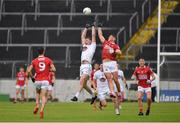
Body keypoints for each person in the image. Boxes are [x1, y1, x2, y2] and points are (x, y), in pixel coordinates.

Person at [71, 24, 97, 103]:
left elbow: (93, 35)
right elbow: (82, 36)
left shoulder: (92, 46)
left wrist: (92, 27)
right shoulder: (84, 45)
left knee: (81, 81)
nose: (86, 40)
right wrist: (86, 28)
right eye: (86, 39)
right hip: (82, 66)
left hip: (87, 66)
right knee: (84, 85)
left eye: (87, 39)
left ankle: (76, 96)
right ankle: (93, 95)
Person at [27, 47, 56, 119]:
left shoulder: (34, 61)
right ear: (43, 51)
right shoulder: (48, 60)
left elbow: (28, 71)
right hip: (45, 80)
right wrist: (49, 69)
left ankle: (37, 105)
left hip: (37, 80)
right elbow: (54, 69)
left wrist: (32, 78)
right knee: (43, 96)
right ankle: (42, 109)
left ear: (38, 52)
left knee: (37, 93)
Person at [97, 25, 122, 98]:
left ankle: (119, 92)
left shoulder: (115, 45)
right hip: (105, 63)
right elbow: (100, 35)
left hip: (112, 63)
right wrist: (99, 27)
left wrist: (114, 50)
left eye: (111, 36)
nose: (109, 37)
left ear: (114, 38)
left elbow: (119, 52)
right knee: (109, 79)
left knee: (115, 79)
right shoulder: (105, 43)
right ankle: (112, 92)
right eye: (109, 36)